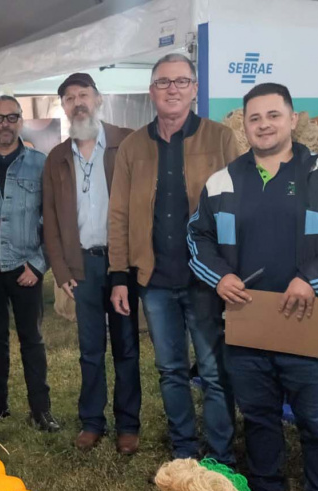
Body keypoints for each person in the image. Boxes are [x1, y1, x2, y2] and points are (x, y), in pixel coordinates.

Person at [188, 83, 318, 491]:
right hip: (249, 324)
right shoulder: (223, 180)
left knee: (317, 423)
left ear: (293, 119)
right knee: (261, 417)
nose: (264, 125)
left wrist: (313, 278)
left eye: (273, 115)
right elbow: (198, 237)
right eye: (254, 118)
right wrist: (220, 276)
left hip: (310, 320)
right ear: (243, 125)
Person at [108, 53, 241, 461]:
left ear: (195, 89)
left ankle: (220, 457)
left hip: (207, 279)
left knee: (214, 372)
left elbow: (239, 207)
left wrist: (230, 269)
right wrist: (117, 274)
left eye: (181, 82)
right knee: (170, 370)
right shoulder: (132, 145)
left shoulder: (220, 139)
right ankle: (184, 451)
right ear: (152, 92)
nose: (172, 89)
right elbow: (118, 213)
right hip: (155, 281)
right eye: (164, 82)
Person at [42, 73, 139, 453]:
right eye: (69, 97)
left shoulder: (126, 143)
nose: (77, 102)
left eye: (84, 94)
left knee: (126, 346)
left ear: (98, 99)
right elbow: (49, 219)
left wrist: (130, 264)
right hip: (81, 266)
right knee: (90, 349)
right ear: (63, 107)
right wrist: (62, 271)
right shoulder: (56, 158)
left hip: (121, 264)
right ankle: (92, 421)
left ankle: (128, 425)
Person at [0, 95, 58, 433]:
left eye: (11, 117)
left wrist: (39, 264)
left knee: (31, 339)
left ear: (20, 121)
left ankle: (40, 408)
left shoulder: (40, 164)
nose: (5, 124)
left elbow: (53, 218)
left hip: (25, 268)